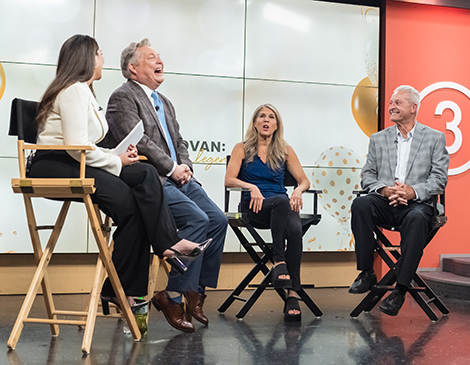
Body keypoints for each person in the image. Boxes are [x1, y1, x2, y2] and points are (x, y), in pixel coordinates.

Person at [29, 34, 210, 326]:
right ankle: (159, 252)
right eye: (99, 53)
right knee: (134, 203)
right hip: (56, 166)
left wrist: (117, 156)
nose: (103, 59)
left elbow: (85, 146)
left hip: (79, 161)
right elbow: (76, 148)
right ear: (86, 57)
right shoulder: (73, 90)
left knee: (145, 172)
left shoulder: (85, 91)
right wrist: (115, 160)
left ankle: (132, 277)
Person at [104, 39, 228, 332]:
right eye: (151, 57)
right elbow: (139, 142)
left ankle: (194, 288)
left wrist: (185, 168)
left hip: (179, 177)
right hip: (155, 181)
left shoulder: (165, 101)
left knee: (218, 220)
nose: (160, 61)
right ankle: (173, 295)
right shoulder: (122, 98)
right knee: (197, 219)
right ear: (133, 68)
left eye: (159, 56)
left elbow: (179, 141)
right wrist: (172, 170)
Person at [348, 85, 449, 316]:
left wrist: (412, 191)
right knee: (361, 204)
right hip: (386, 201)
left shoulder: (434, 138)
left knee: (416, 218)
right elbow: (367, 175)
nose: (391, 107)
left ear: (414, 108)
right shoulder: (378, 139)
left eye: (397, 103)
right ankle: (366, 271)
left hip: (418, 204)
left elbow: (439, 179)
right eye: (391, 103)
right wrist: (384, 190)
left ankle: (400, 290)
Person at [224, 104, 310, 322]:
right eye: (261, 116)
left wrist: (298, 190)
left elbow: (304, 180)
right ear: (254, 123)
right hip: (254, 208)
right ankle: (279, 261)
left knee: (295, 229)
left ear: (276, 125)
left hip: (280, 207)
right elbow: (228, 180)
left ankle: (292, 294)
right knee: (282, 201)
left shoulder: (284, 150)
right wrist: (251, 187)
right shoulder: (241, 148)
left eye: (271, 117)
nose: (266, 120)